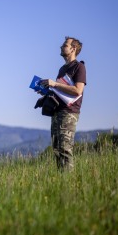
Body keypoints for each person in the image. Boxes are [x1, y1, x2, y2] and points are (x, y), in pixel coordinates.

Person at [41, 36, 86, 171]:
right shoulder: (62, 69)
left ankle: (69, 183)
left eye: (64, 45)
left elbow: (78, 90)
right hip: (57, 111)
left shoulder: (79, 67)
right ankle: (62, 181)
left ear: (73, 49)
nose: (61, 46)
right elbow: (61, 91)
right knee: (57, 149)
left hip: (69, 113)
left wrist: (54, 84)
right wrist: (47, 91)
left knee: (65, 149)